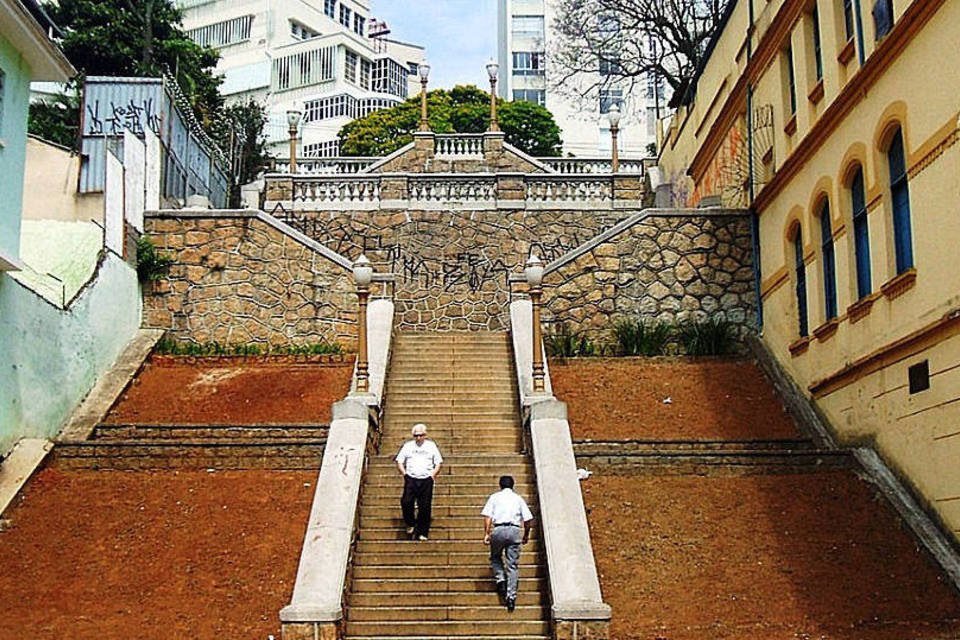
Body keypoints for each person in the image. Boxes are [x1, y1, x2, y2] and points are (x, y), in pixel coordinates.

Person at [481, 475, 534, 612]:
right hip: (514, 530)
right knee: (512, 565)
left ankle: (500, 579)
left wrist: (487, 533)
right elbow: (528, 519)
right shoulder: (518, 498)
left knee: (495, 557)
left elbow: (488, 517)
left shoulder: (494, 497)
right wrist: (526, 534)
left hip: (498, 529)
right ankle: (511, 597)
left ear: (500, 485)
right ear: (512, 485)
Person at [395, 423, 443, 541]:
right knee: (406, 502)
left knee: (425, 506)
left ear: (425, 435)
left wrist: (432, 475)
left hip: (426, 479)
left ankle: (423, 532)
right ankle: (410, 522)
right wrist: (405, 473)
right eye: (416, 435)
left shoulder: (431, 446)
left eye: (421, 435)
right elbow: (399, 461)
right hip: (411, 478)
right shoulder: (408, 446)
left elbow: (438, 462)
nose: (418, 438)